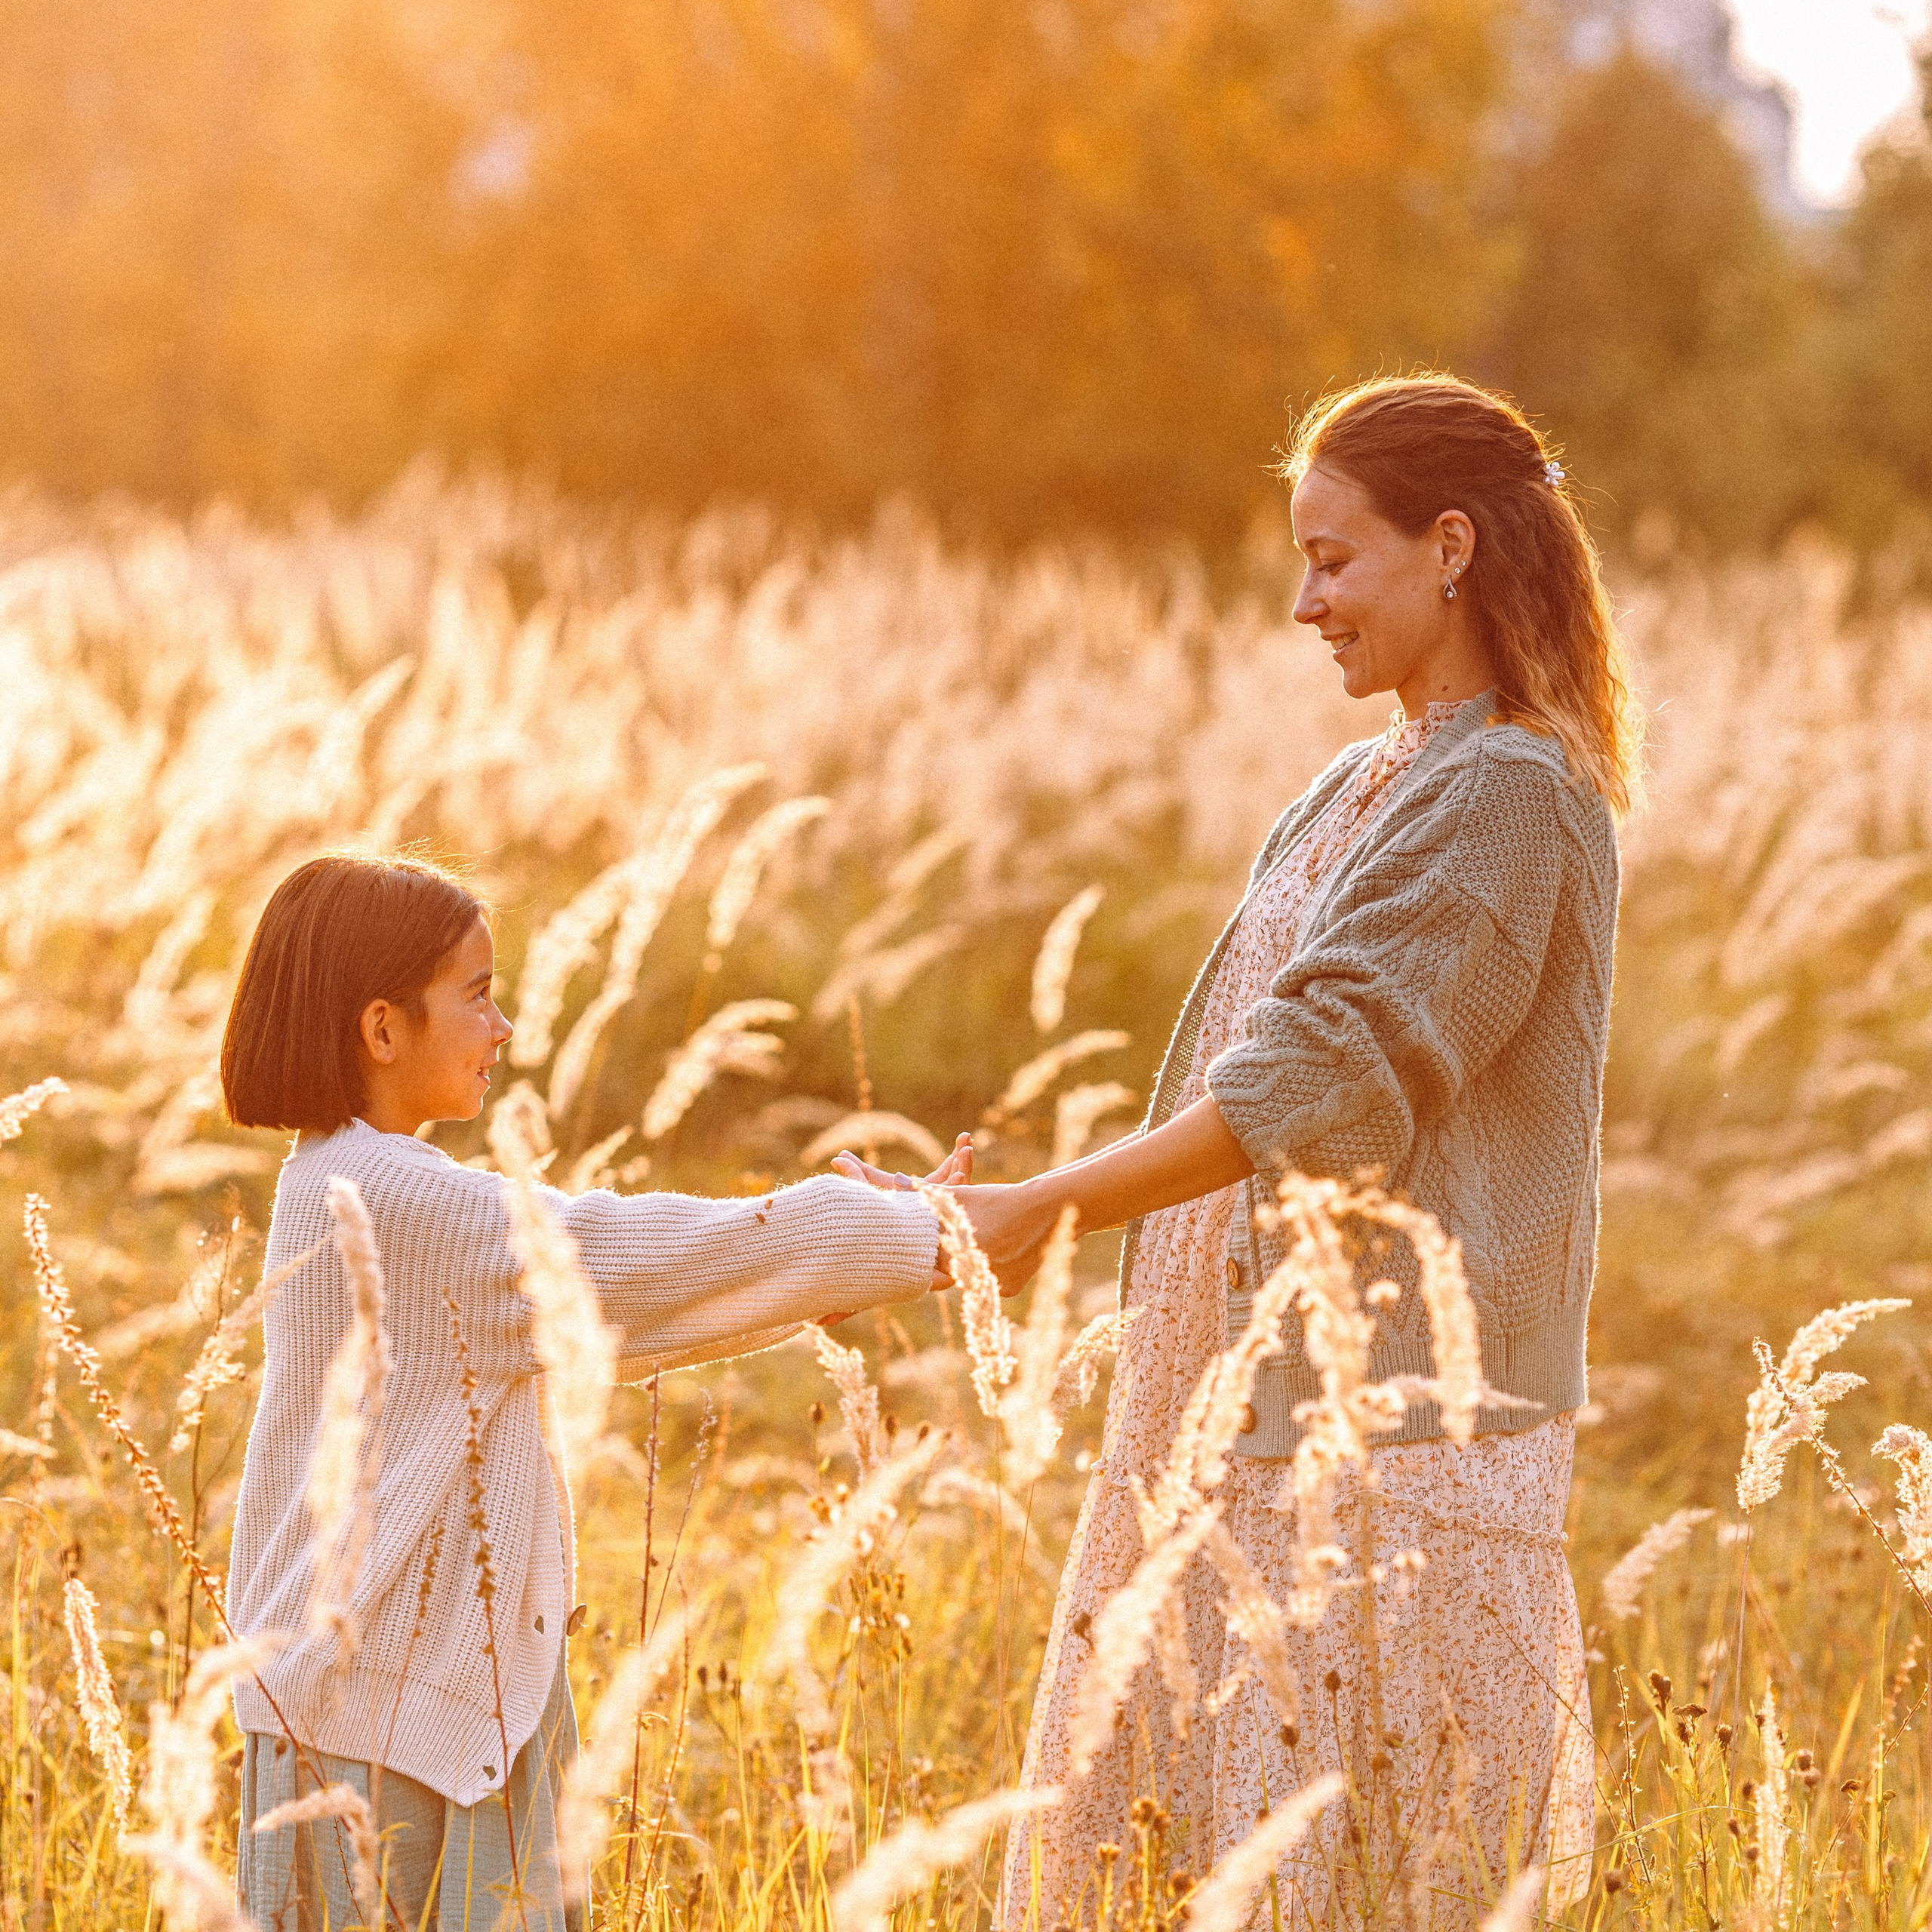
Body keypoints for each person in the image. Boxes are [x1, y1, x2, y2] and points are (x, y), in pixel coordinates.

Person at [848, 375, 1638, 1925]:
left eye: (1333, 558)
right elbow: (1243, 1077)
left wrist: (1038, 1212)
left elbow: (1318, 1078)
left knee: (1344, 1874)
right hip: (1236, 1411)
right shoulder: (1349, 788)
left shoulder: (1514, 796)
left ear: (1452, 547)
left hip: (1390, 1434)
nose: (1302, 602)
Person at [220, 852, 968, 1931]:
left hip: (395, 1722)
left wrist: (830, 1270)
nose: (505, 1028)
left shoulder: (340, 1177)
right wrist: (893, 1233)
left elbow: (612, 1312)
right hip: (378, 1760)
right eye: (478, 997)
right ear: (382, 1030)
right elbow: (632, 1257)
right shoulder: (396, 1201)